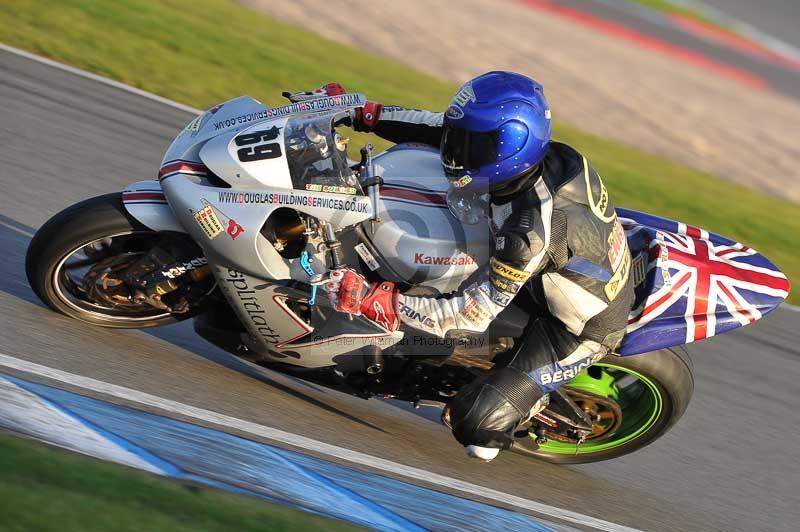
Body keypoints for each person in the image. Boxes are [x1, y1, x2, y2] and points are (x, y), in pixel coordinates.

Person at [290, 71, 635, 461]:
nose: (454, 149)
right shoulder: (535, 157)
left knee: (475, 428)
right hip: (562, 258)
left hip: (577, 327)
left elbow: (468, 315)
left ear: (509, 147)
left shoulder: (529, 234)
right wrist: (365, 113)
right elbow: (437, 127)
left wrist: (380, 302)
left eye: (468, 143)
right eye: (461, 136)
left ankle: (526, 404)